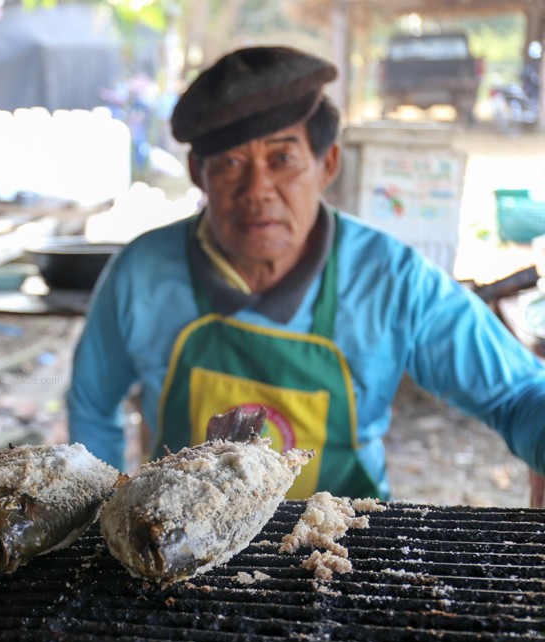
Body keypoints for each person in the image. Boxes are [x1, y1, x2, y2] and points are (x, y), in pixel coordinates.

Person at [65, 44, 545, 500]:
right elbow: (92, 405)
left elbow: (519, 394)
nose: (258, 189)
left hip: (342, 555)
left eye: (283, 159)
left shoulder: (391, 280)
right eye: (231, 163)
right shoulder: (140, 274)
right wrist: (104, 514)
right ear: (197, 172)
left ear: (327, 163)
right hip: (177, 553)